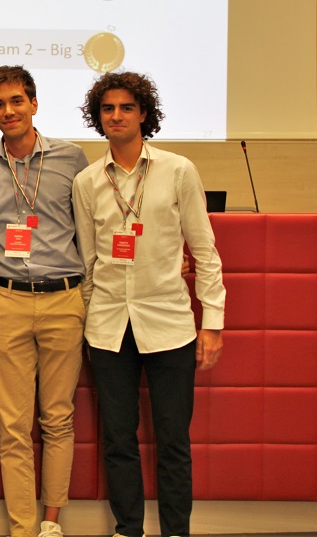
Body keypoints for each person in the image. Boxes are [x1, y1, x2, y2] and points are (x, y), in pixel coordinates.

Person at [72, 71, 225, 537]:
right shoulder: (87, 181)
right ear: (98, 117)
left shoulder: (178, 170)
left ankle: (177, 531)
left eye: (126, 108)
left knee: (173, 441)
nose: (116, 116)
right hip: (108, 328)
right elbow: (88, 261)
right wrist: (88, 319)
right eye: (107, 109)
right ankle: (128, 529)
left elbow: (204, 250)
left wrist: (213, 322)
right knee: (118, 440)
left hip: (170, 324)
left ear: (144, 114)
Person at [0, 66, 88, 537]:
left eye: (16, 101)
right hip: (8, 300)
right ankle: (23, 527)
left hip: (64, 299)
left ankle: (52, 521)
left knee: (58, 420)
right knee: (13, 426)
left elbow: (92, 227)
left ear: (34, 104)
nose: (8, 111)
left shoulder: (72, 157)